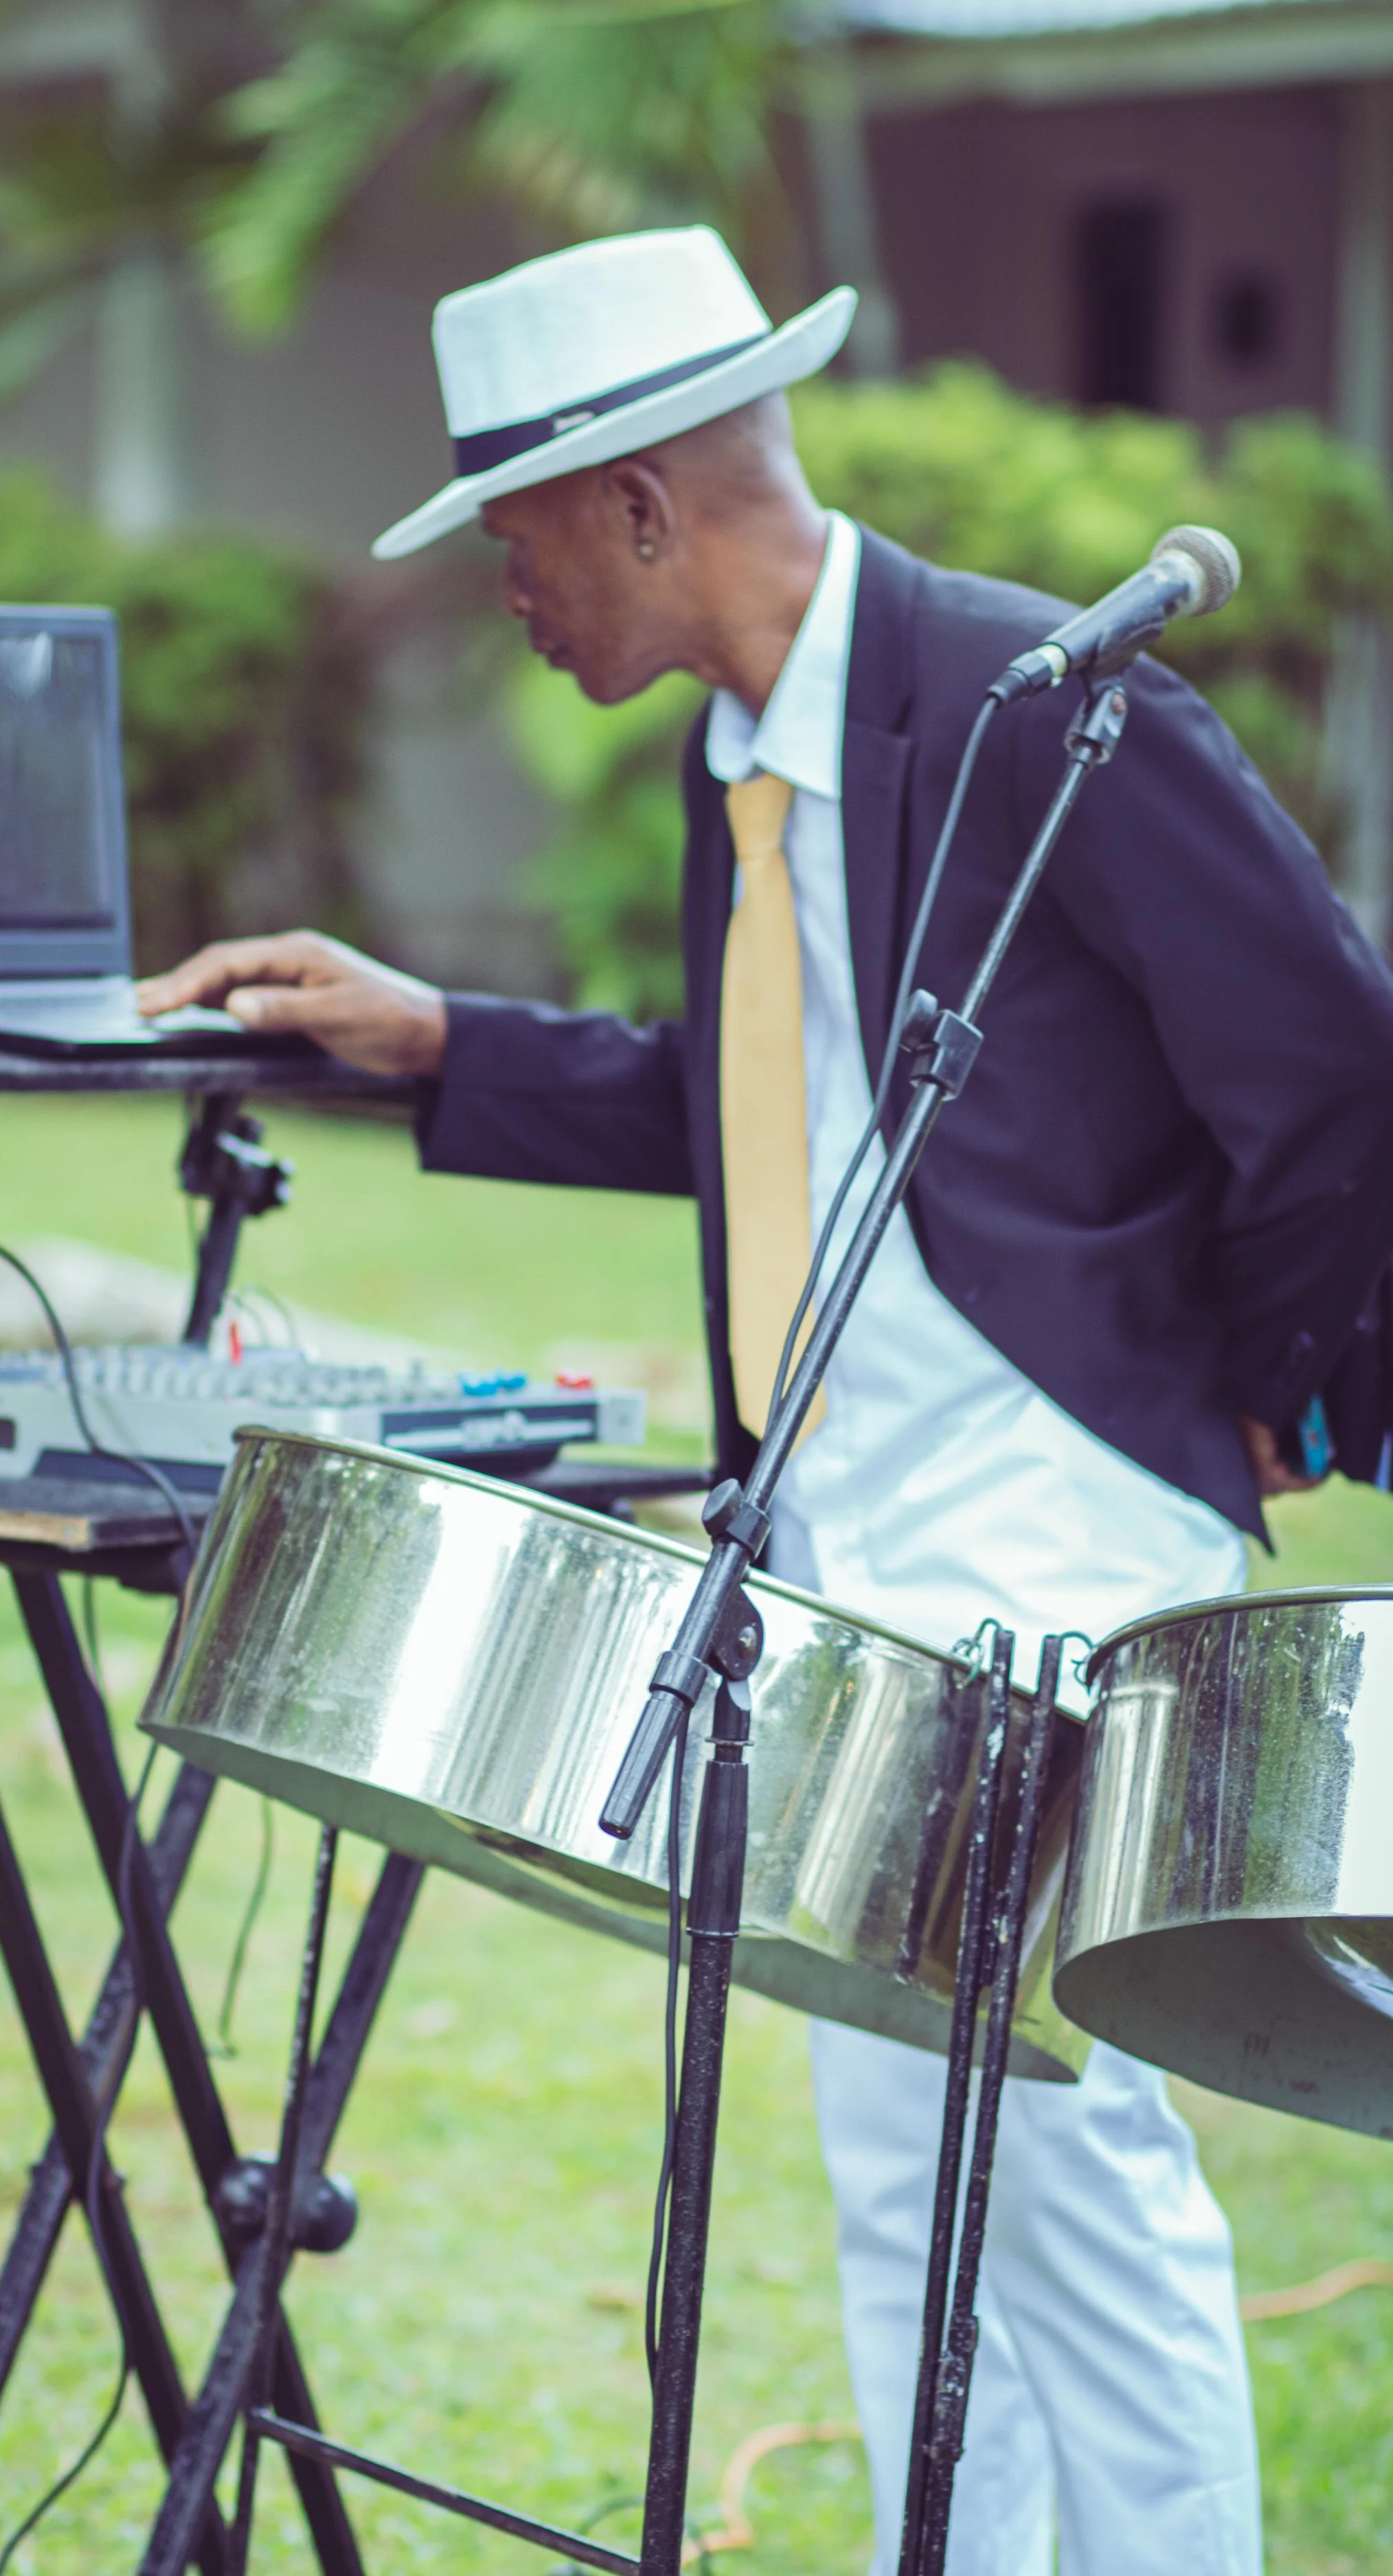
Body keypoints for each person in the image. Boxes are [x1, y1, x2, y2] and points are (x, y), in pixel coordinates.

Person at [139, 227, 1393, 2575]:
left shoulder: (1043, 706)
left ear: (632, 503)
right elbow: (784, 1102)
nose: (494, 581)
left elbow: (1331, 1064)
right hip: (837, 1523)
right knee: (907, 2159)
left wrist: (1268, 1403)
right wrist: (444, 1041)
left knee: (1054, 2164)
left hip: (1048, 1517)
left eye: (506, 526)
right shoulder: (746, 759)